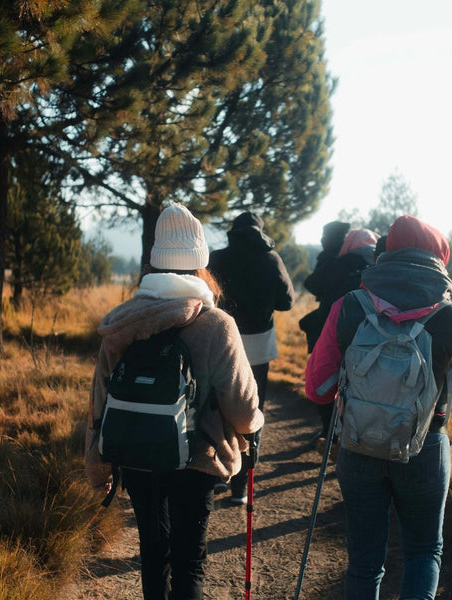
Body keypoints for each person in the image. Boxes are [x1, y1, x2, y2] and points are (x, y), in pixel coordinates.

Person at [305, 215, 452, 600]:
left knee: (364, 563)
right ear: (438, 263)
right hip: (424, 447)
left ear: (388, 253)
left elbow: (317, 389)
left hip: (358, 445)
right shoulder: (450, 317)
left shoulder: (349, 306)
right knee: (424, 551)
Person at [85, 202, 264, 600]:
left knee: (153, 552)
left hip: (135, 454)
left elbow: (99, 400)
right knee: (189, 559)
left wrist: (96, 466)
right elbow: (242, 404)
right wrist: (251, 430)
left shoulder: (122, 319)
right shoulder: (217, 324)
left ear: (154, 262)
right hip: (197, 460)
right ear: (200, 263)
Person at [208, 211, 295, 503]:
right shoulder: (271, 259)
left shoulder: (217, 258)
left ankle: (218, 473)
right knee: (252, 411)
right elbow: (287, 302)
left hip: (221, 340)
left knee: (216, 405)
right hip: (258, 345)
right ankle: (241, 488)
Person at [300, 227, 380, 446]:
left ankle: (330, 432)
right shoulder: (378, 265)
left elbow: (312, 284)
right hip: (367, 335)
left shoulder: (338, 263)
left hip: (330, 326)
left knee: (326, 378)